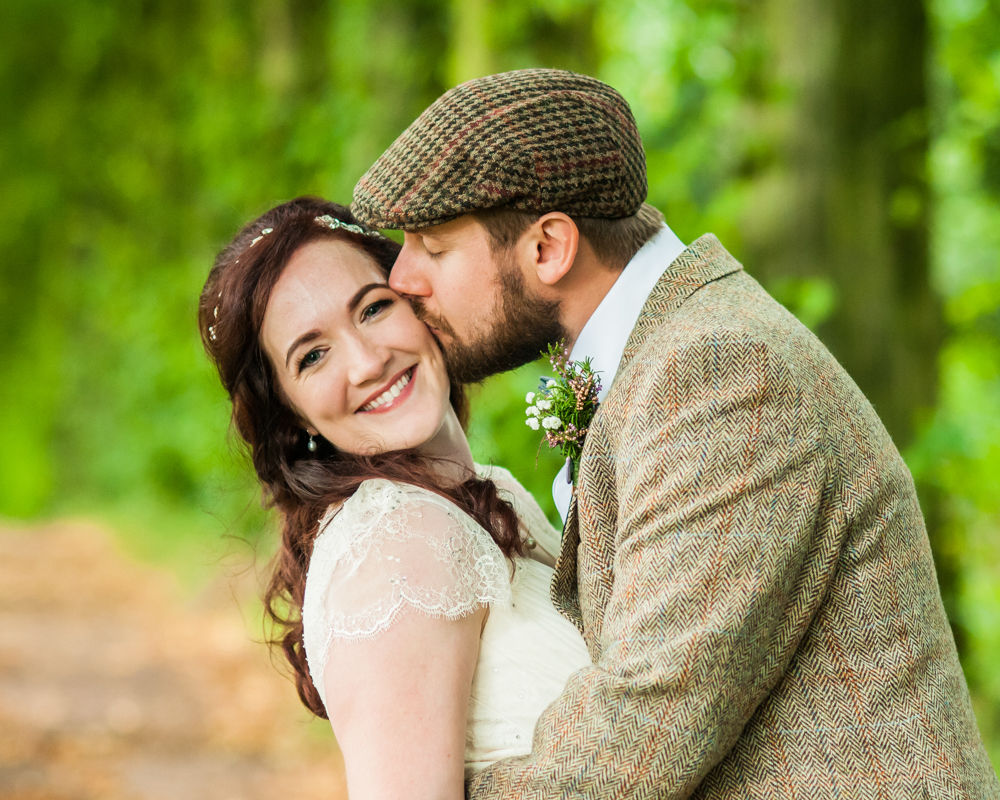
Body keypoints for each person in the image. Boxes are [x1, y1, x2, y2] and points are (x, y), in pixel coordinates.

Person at [351, 69, 1000, 798]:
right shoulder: (667, 355)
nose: (401, 278)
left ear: (548, 249)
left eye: (433, 249)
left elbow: (647, 723)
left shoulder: (720, 368)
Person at [198, 196, 591, 799]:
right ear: (291, 415)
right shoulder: (400, 540)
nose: (367, 361)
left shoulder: (482, 494)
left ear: (418, 294)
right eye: (313, 355)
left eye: (374, 308)